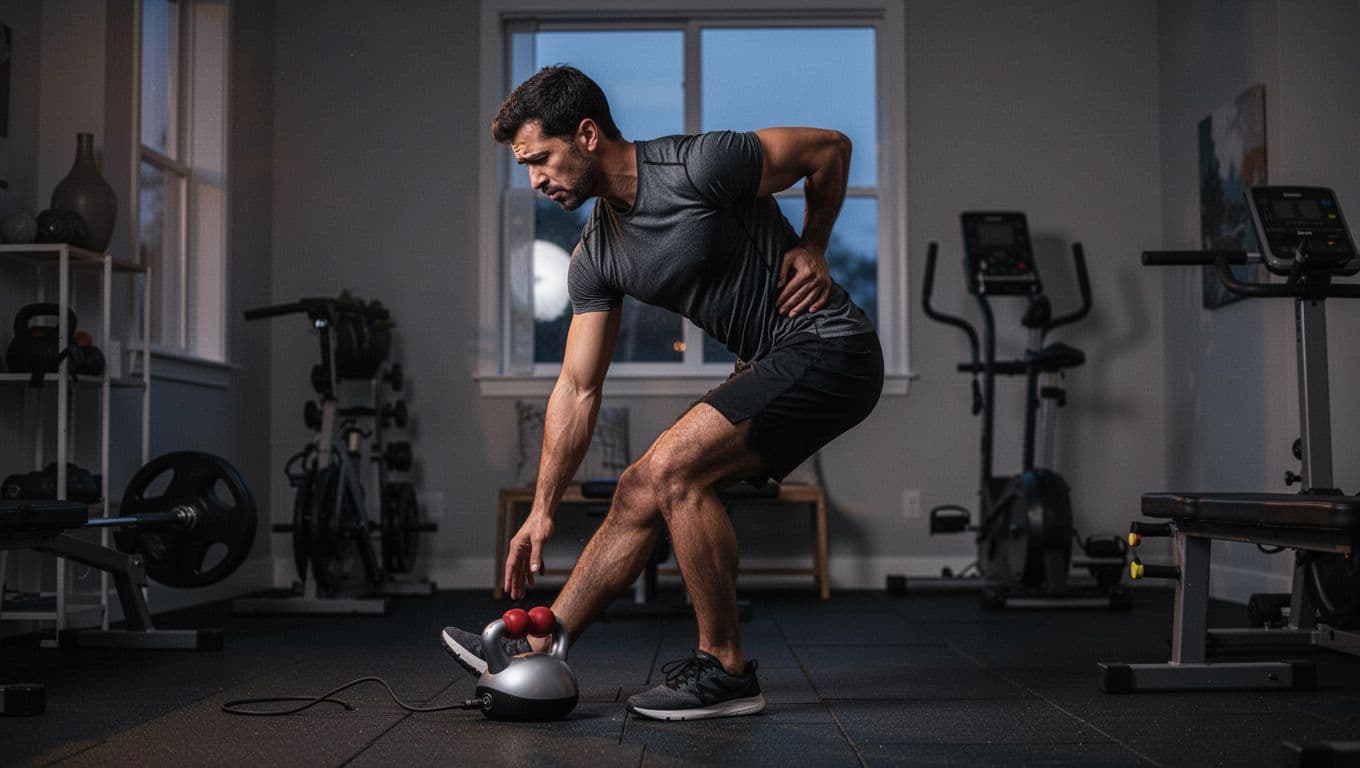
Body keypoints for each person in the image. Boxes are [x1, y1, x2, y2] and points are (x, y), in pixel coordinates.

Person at [443, 65, 883, 721]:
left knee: (673, 469)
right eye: (525, 167)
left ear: (586, 135)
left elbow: (830, 149)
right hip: (772, 359)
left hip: (830, 344)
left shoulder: (699, 165)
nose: (535, 180)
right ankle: (541, 641)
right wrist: (541, 509)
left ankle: (726, 667)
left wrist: (814, 246)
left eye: (540, 159)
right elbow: (577, 386)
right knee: (641, 487)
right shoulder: (598, 254)